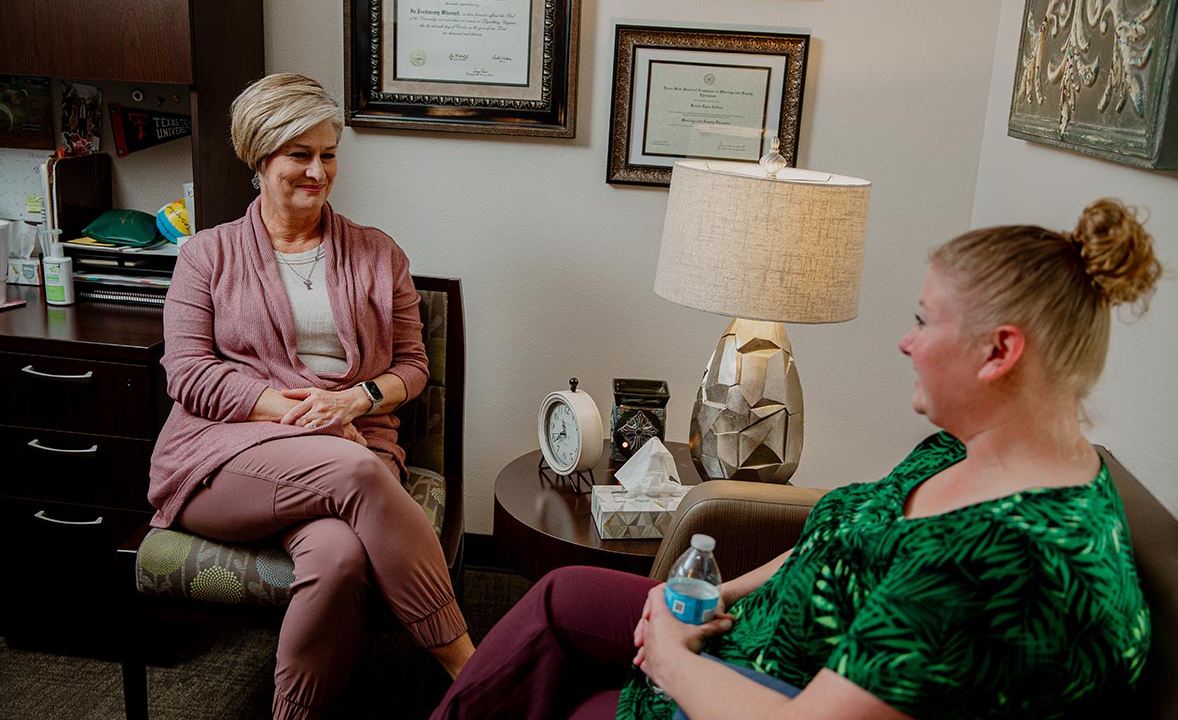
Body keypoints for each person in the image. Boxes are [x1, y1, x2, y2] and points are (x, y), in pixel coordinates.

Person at [430, 198, 1161, 720]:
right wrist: (723, 598)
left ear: (999, 351)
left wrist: (672, 659)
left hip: (764, 686)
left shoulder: (999, 560)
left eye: (922, 321)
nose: (905, 343)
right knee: (562, 596)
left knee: (571, 692)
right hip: (748, 640)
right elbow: (842, 534)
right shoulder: (962, 451)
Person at [148, 73, 474, 720]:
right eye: (300, 155)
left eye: (328, 155)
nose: (317, 171)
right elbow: (187, 374)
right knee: (353, 468)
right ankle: (473, 671)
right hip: (226, 460)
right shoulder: (206, 256)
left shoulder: (380, 255)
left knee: (336, 556)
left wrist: (353, 403)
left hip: (356, 443)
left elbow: (413, 367)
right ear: (260, 158)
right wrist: (307, 420)